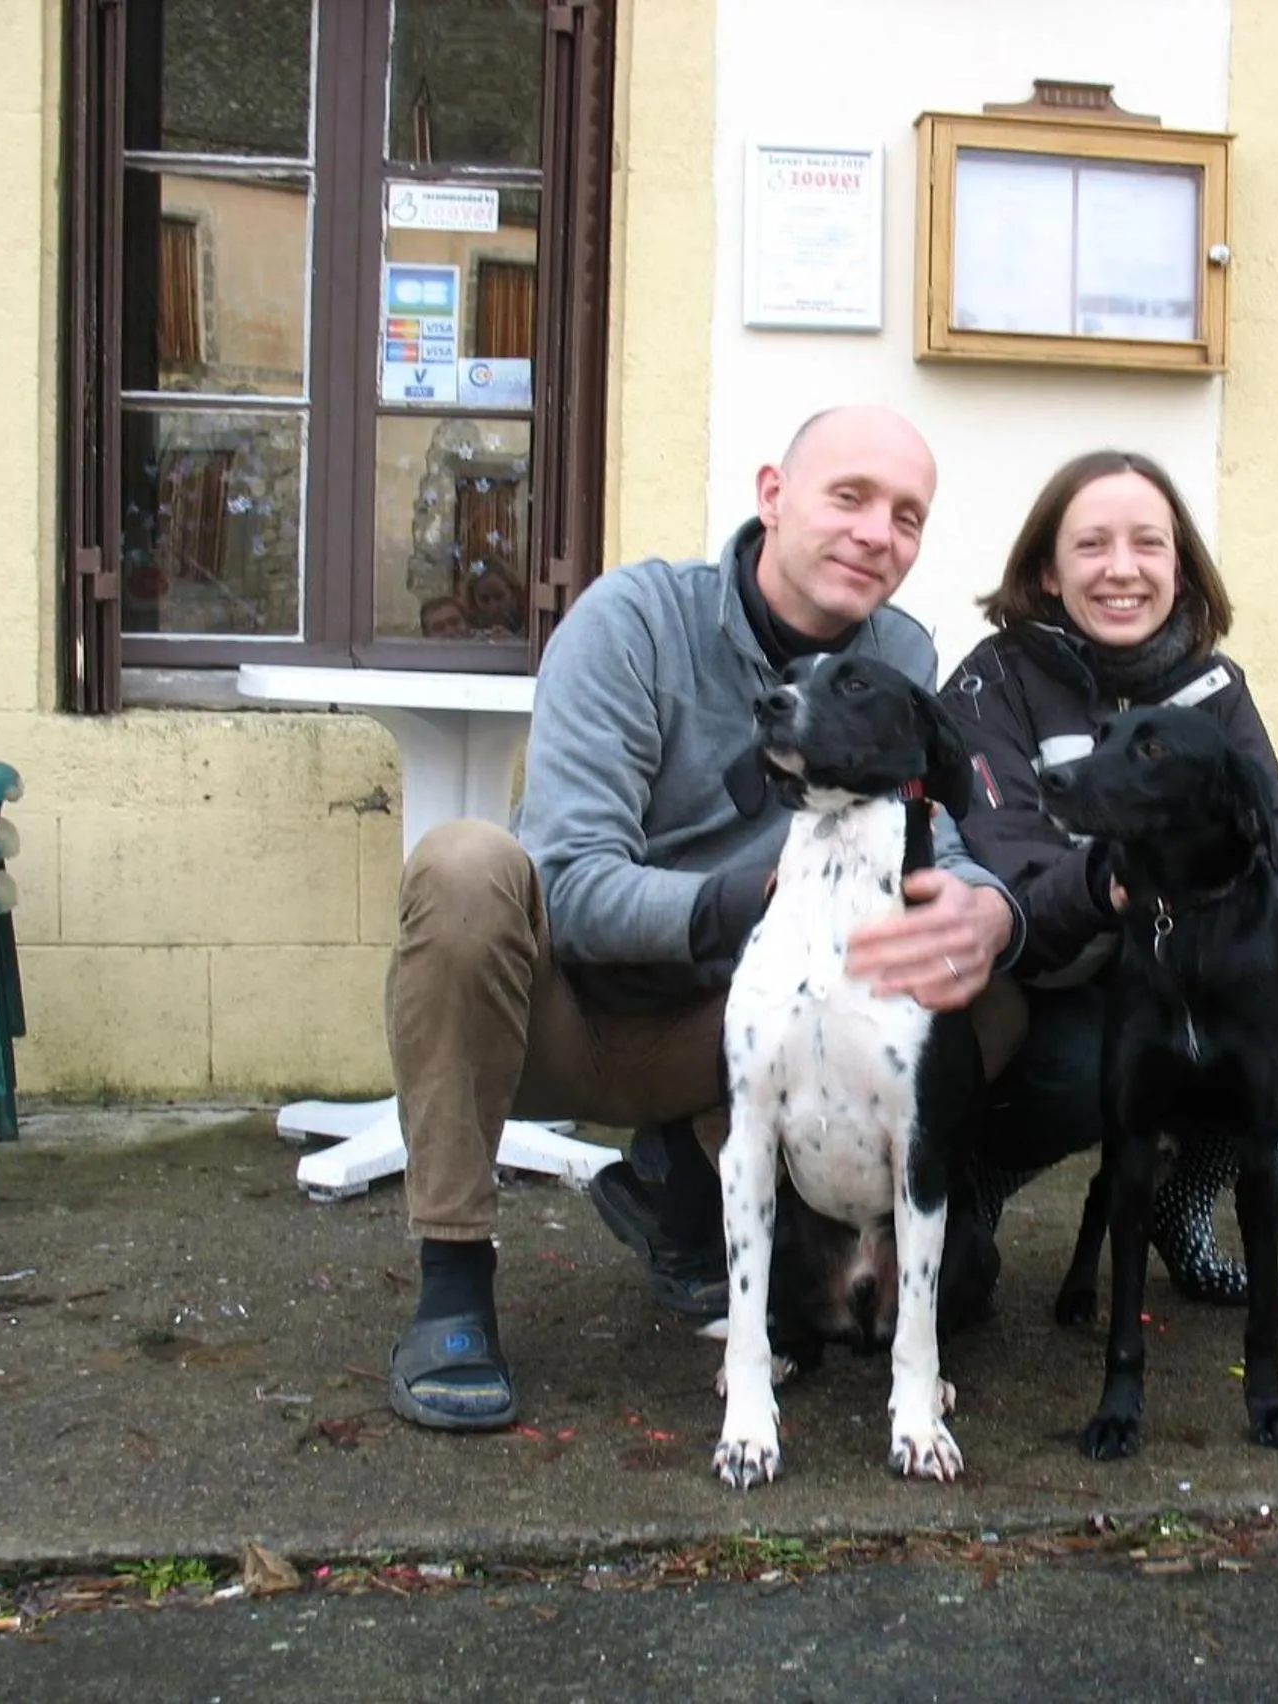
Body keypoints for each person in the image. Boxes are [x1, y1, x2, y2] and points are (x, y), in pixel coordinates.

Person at [385, 405, 1024, 1432]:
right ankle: (454, 1278)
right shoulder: (632, 619)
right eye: (849, 497)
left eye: (906, 517)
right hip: (575, 1015)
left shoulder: (897, 649)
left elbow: (918, 828)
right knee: (466, 866)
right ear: (773, 496)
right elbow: (573, 879)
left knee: (976, 984)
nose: (877, 533)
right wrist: (748, 900)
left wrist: (982, 908)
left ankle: (697, 1200)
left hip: (734, 1024)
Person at [946, 449, 1278, 1304]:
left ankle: (1182, 1193)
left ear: (1179, 564)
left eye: (1149, 544)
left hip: (1192, 971)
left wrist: (1269, 996)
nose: (1123, 569)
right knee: (1095, 1063)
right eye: (1092, 546)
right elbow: (1007, 888)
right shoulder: (989, 686)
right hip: (1054, 987)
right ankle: (985, 1175)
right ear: (1046, 571)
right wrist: (1112, 885)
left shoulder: (1215, 687)